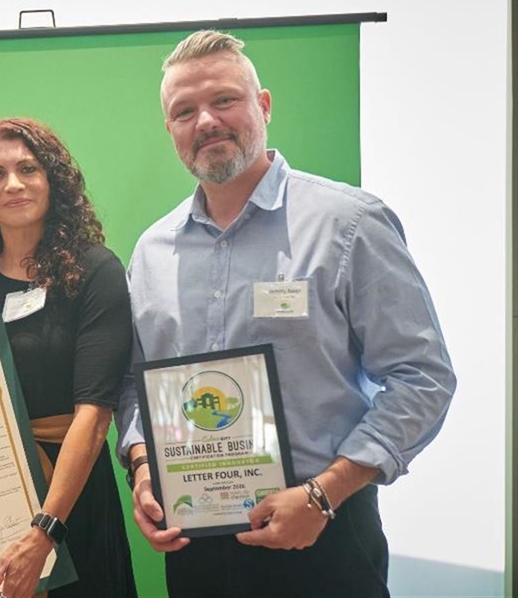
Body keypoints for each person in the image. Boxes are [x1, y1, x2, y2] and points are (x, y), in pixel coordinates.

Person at [116, 30, 456, 597]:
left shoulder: (349, 224)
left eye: (224, 100)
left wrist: (325, 493)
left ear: (263, 106)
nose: (205, 121)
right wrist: (145, 465)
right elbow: (134, 383)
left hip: (324, 532)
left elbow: (424, 378)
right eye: (184, 110)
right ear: (171, 129)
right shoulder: (152, 252)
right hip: (195, 546)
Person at [0, 118, 137, 598]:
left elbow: (94, 417)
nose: (12, 184)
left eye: (27, 168)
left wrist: (44, 530)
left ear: (52, 179)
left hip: (73, 503)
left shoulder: (97, 271)